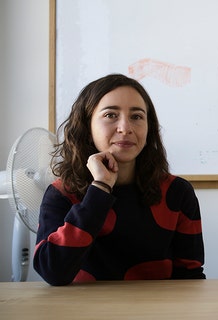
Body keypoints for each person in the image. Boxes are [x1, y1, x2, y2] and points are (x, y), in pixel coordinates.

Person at [34, 74, 205, 285]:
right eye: (110, 115)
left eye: (136, 116)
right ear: (87, 127)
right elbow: (52, 271)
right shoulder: (61, 193)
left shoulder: (177, 192)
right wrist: (100, 188)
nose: (125, 128)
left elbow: (190, 275)